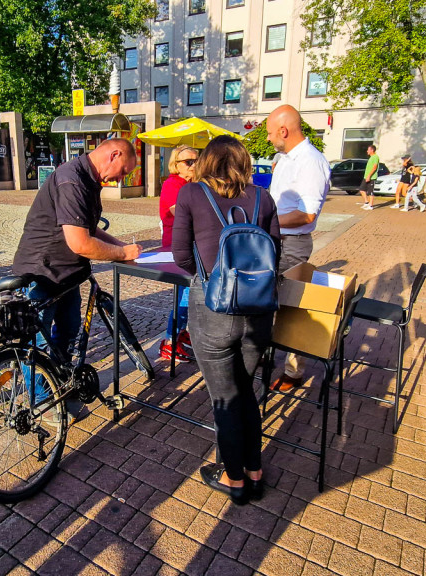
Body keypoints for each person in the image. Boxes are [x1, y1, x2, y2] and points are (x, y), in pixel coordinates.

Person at [170, 135, 280, 505]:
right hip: (259, 309)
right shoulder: (263, 197)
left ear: (205, 162)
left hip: (213, 307)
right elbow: (275, 253)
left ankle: (234, 479)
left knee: (226, 397)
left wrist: (208, 275)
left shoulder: (190, 195)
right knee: (246, 390)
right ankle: (255, 470)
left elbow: (182, 255)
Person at [12, 138, 142, 412]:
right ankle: (44, 406)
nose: (121, 180)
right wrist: (121, 254)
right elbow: (81, 244)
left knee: (67, 333)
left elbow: (88, 229)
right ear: (114, 155)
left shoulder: (87, 179)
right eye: (124, 171)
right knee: (36, 347)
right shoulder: (72, 180)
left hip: (66, 275)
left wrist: (122, 246)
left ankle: (58, 387)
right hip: (42, 273)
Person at [264, 105, 331, 392]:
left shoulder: (311, 161)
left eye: (269, 133)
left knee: (289, 305)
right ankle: (266, 355)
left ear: (283, 130)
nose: (268, 139)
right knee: (268, 301)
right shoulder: (283, 158)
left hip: (291, 243)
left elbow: (306, 215)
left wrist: (265, 222)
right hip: (274, 240)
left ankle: (293, 371)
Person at [158, 144, 198, 362]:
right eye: (188, 162)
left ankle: (181, 334)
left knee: (190, 293)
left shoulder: (192, 184)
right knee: (184, 295)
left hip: (193, 244)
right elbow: (182, 214)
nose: (193, 165)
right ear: (176, 165)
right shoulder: (174, 184)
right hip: (178, 244)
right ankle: (170, 342)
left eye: (196, 160)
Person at [359, 144, 380, 210]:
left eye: (368, 150)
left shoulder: (375, 157)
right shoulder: (371, 158)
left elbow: (374, 167)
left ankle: (371, 206)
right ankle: (366, 202)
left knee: (370, 192)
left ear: (372, 150)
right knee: (362, 190)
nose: (367, 151)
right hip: (366, 177)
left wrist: (369, 176)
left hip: (371, 177)